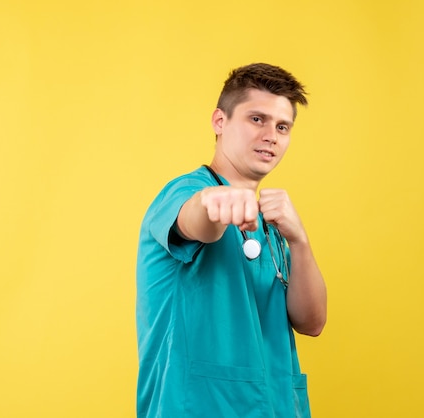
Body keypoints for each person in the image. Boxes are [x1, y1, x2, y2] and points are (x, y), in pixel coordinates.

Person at [136, 63, 327, 418]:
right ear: (219, 122)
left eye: (282, 126)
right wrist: (212, 204)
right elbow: (195, 221)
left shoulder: (271, 225)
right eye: (257, 119)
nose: (271, 135)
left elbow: (312, 322)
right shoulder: (186, 192)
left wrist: (299, 241)